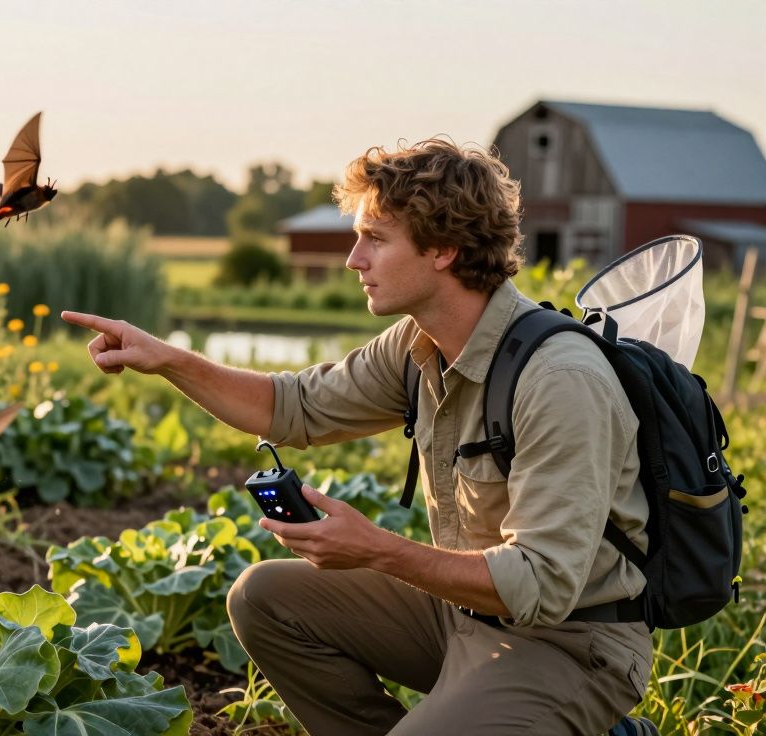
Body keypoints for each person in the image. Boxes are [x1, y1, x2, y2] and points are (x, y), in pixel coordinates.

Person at [61, 139, 654, 735]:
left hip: (572, 644)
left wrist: (379, 549)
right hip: (466, 616)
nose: (353, 259)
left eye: (376, 238)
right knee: (263, 598)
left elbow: (543, 583)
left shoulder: (560, 379)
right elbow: (292, 407)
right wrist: (166, 359)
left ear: (444, 248)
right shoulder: (417, 344)